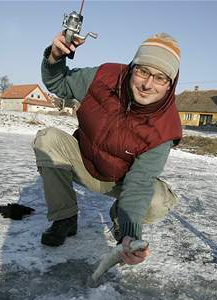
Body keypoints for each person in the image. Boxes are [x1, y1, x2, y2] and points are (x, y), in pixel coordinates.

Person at [34, 32, 182, 266]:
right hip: (84, 162)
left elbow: (139, 184)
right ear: (133, 66)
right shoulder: (104, 77)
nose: (147, 84)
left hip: (120, 182)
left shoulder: (166, 127)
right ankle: (65, 218)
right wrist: (55, 57)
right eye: (143, 71)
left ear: (170, 85)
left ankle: (118, 219)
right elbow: (58, 82)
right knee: (47, 140)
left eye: (160, 78)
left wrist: (129, 234)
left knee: (158, 200)